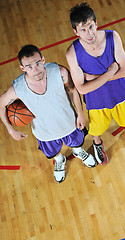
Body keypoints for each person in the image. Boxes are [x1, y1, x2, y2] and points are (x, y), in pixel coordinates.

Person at [0, 44, 97, 183]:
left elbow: (72, 90)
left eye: (38, 63)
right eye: (29, 66)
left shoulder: (60, 72)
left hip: (69, 123)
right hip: (45, 133)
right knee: (53, 152)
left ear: (43, 60)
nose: (35, 69)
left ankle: (78, 151)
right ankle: (59, 160)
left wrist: (80, 113)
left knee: (77, 142)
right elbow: (1, 103)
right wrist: (10, 130)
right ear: (22, 68)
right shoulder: (18, 88)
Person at [66, 2, 125, 165]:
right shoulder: (72, 53)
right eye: (83, 30)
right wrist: (109, 72)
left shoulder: (112, 36)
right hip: (96, 101)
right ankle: (97, 144)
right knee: (96, 129)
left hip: (120, 93)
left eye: (91, 26)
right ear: (75, 31)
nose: (89, 33)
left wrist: (92, 78)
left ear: (96, 22)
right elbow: (81, 88)